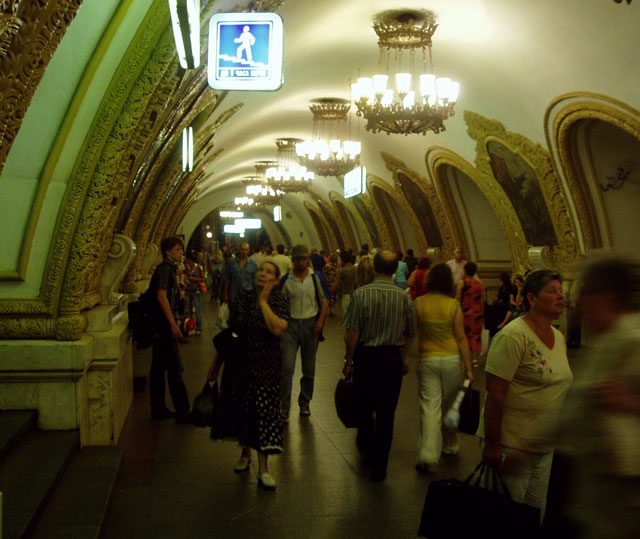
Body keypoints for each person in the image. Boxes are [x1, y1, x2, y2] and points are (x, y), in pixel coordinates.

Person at [557, 257, 640, 538]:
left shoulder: (633, 338)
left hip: (626, 497)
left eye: (586, 293)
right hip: (599, 492)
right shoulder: (609, 339)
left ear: (609, 296)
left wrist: (631, 403)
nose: (578, 304)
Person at [481, 269, 573, 521]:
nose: (560, 297)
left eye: (560, 291)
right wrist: (492, 443)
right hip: (512, 445)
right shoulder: (513, 336)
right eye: (552, 291)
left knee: (534, 515)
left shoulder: (558, 336)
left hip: (543, 445)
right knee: (506, 517)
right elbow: (496, 392)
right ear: (531, 298)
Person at [208, 261, 289, 490]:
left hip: (267, 366)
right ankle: (245, 453)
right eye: (261, 270)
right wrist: (217, 362)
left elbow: (278, 328)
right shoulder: (242, 299)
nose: (263, 273)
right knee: (244, 409)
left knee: (264, 414)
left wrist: (263, 301)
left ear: (275, 279)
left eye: (268, 272)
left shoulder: (280, 300)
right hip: (240, 364)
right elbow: (231, 333)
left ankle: (264, 469)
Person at [342, 250, 417, 482]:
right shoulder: (404, 297)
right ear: (395, 270)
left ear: (374, 268)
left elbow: (352, 333)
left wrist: (349, 361)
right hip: (391, 359)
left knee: (364, 408)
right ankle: (380, 467)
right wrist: (403, 357)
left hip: (366, 358)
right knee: (387, 414)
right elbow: (410, 332)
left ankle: (365, 447)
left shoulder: (361, 295)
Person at [414, 263, 474, 470]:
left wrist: (410, 357)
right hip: (451, 359)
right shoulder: (453, 305)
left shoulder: (419, 303)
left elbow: (414, 334)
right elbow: (461, 338)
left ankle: (428, 454)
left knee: (430, 406)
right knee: (450, 405)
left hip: (428, 359)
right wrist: (468, 367)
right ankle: (450, 444)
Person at [278, 245, 330, 419]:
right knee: (287, 367)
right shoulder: (286, 280)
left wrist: (320, 322)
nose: (300, 263)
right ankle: (284, 406)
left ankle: (304, 402)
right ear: (293, 261)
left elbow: (325, 301)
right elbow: (278, 302)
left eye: (303, 259)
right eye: (297, 259)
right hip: (291, 327)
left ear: (307, 260)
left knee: (309, 368)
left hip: (310, 325)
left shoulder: (316, 278)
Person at [147, 236, 190, 421]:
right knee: (175, 368)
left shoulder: (170, 270)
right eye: (178, 250)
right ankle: (183, 411)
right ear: (168, 252)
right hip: (164, 327)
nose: (181, 253)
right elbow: (161, 297)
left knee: (158, 368)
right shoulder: (165, 270)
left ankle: (158, 408)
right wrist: (173, 324)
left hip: (160, 326)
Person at [456, 262, 485, 367]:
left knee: (465, 334)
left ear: (465, 271)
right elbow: (482, 300)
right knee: (476, 335)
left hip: (465, 312)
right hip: (477, 312)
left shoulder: (462, 283)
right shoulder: (479, 285)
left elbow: (458, 298)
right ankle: (475, 358)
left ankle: (466, 357)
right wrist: (482, 313)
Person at [222, 242, 258, 306]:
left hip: (247, 295)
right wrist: (225, 294)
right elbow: (227, 279)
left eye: (246, 250)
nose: (244, 252)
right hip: (234, 295)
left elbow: (255, 281)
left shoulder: (253, 264)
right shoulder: (231, 263)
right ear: (239, 250)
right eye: (242, 249)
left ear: (248, 251)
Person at [184, 251, 205, 335]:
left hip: (197, 291)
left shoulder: (199, 267)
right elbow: (186, 277)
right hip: (188, 291)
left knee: (197, 310)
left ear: (190, 259)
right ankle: (190, 326)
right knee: (188, 310)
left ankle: (199, 327)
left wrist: (192, 279)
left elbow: (203, 278)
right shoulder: (186, 267)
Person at [338, 250, 357, 315]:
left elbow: (339, 283)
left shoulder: (343, 271)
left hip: (346, 295)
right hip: (356, 294)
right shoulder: (356, 268)